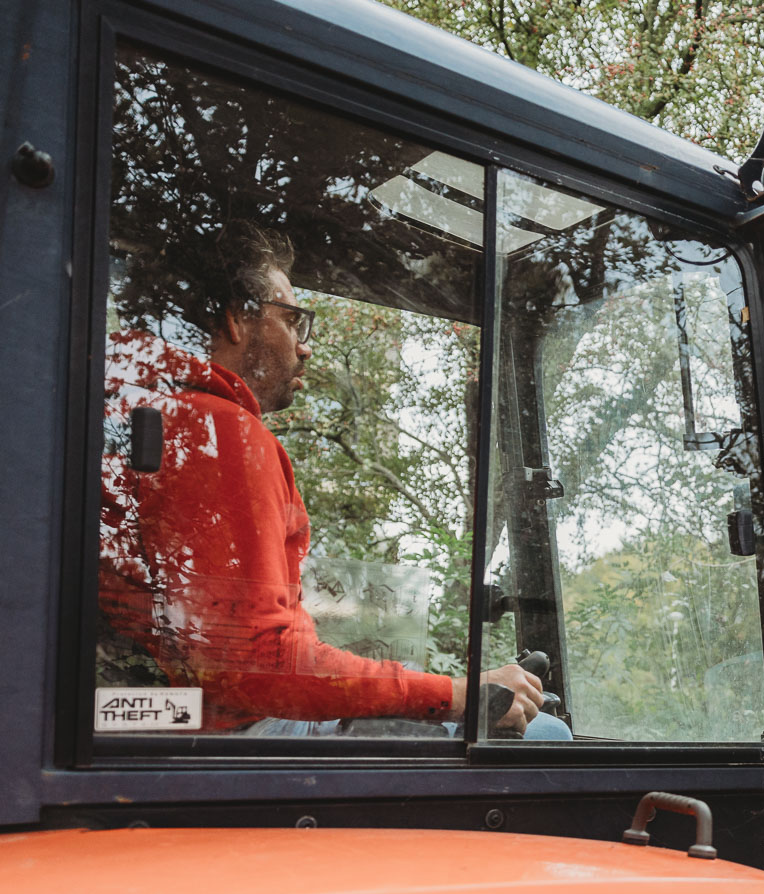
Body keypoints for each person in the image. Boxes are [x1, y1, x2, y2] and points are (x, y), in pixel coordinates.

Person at [98, 222, 563, 738]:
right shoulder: (213, 428)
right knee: (547, 736)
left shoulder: (133, 415)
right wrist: (457, 695)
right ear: (235, 319)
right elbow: (258, 662)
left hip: (168, 723)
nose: (305, 348)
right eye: (294, 321)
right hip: (224, 731)